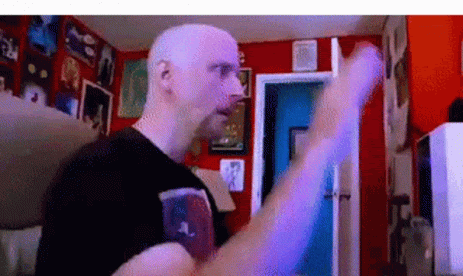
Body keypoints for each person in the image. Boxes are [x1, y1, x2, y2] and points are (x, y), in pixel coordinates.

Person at [36, 24, 382, 276]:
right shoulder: (93, 171)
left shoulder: (197, 188)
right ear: (166, 75)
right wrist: (322, 140)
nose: (239, 91)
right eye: (222, 71)